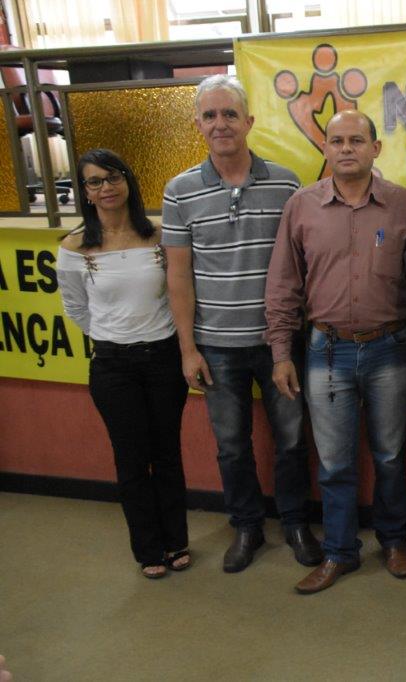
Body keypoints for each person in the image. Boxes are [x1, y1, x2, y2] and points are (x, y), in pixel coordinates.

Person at [163, 75, 322, 574]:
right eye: (209, 115)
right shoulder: (180, 190)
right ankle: (247, 526)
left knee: (293, 439)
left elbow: (303, 264)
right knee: (232, 446)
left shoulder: (287, 183)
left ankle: (295, 522)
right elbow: (178, 276)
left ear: (249, 122)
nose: (220, 124)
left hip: (279, 344)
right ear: (198, 126)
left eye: (229, 114)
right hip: (216, 348)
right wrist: (187, 348)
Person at [265, 110, 406, 595]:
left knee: (391, 455)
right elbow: (283, 284)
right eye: (337, 140)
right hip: (324, 352)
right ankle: (339, 552)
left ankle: (394, 541)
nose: (346, 148)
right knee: (333, 461)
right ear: (326, 149)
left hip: (389, 350)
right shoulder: (301, 206)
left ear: (377, 148)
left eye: (357, 139)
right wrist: (279, 353)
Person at [57, 149, 190, 579]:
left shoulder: (158, 235)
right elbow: (76, 309)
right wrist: (117, 335)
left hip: (164, 359)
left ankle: (176, 541)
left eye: (113, 177)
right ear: (85, 192)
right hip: (114, 366)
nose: (106, 187)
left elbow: (178, 293)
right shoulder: (76, 246)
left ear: (128, 182)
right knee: (132, 460)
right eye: (95, 181)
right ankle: (148, 550)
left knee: (167, 453)